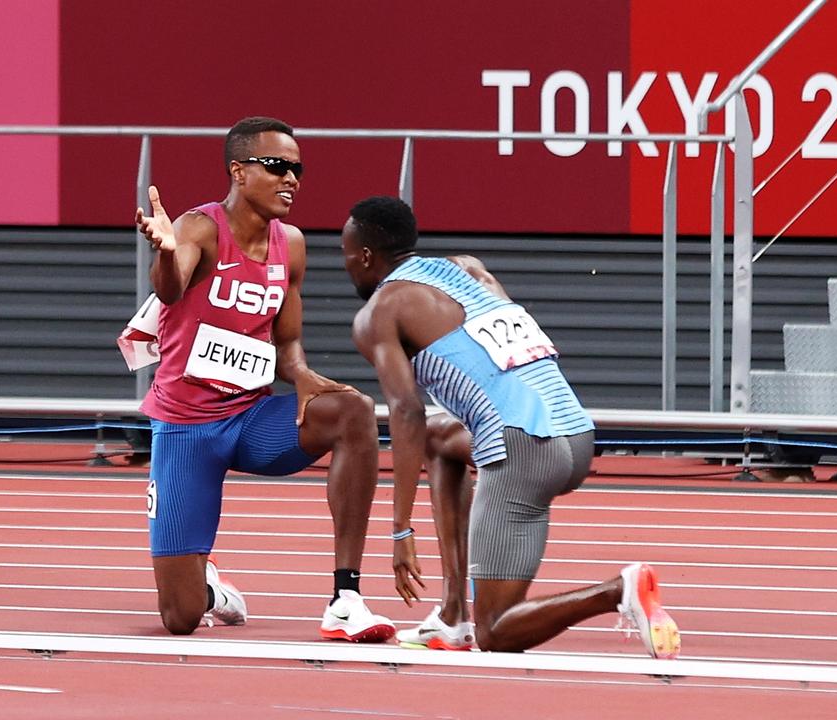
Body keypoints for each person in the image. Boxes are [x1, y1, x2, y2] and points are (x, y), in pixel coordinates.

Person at [341, 195, 680, 656]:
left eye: (345, 257)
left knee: (497, 632)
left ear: (363, 256)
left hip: (523, 448)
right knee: (443, 439)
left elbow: (406, 412)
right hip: (576, 433)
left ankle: (618, 590)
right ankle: (453, 612)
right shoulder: (468, 268)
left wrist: (401, 530)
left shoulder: (379, 313)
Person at [134, 117, 394, 642]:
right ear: (239, 171)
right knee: (179, 618)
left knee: (355, 411)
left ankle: (346, 597)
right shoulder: (198, 229)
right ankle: (209, 589)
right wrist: (164, 251)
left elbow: (286, 342)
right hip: (187, 429)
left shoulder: (291, 244)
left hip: (252, 419)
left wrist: (300, 375)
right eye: (277, 166)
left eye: (298, 169)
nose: (291, 179)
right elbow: (169, 290)